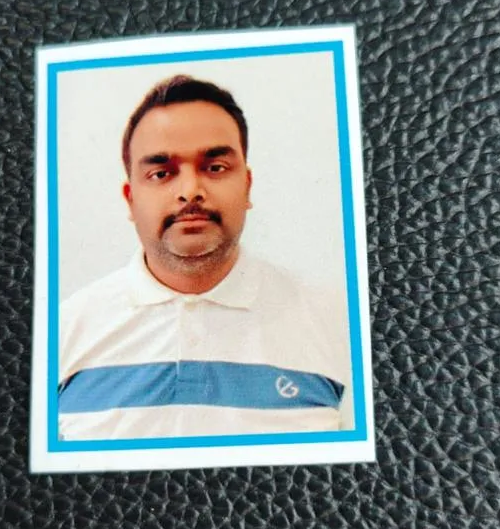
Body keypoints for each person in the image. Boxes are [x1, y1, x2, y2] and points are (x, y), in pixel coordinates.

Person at [59, 75, 353, 440]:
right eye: (161, 173)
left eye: (214, 168)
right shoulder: (61, 335)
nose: (190, 191)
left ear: (247, 186)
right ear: (131, 199)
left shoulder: (339, 326)